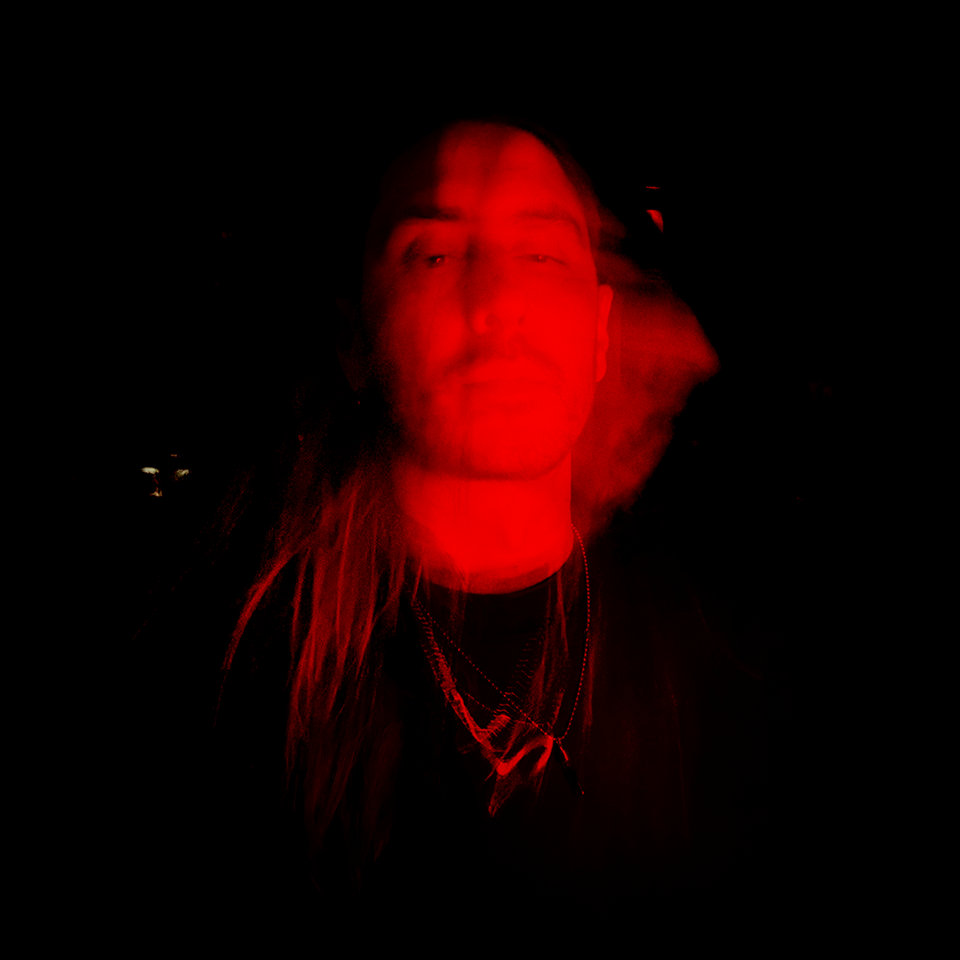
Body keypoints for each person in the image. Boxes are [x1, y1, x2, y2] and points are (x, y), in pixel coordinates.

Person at [209, 116, 770, 917]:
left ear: (599, 332)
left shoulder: (735, 660)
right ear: (354, 337)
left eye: (542, 256)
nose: (499, 302)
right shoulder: (232, 686)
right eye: (435, 256)